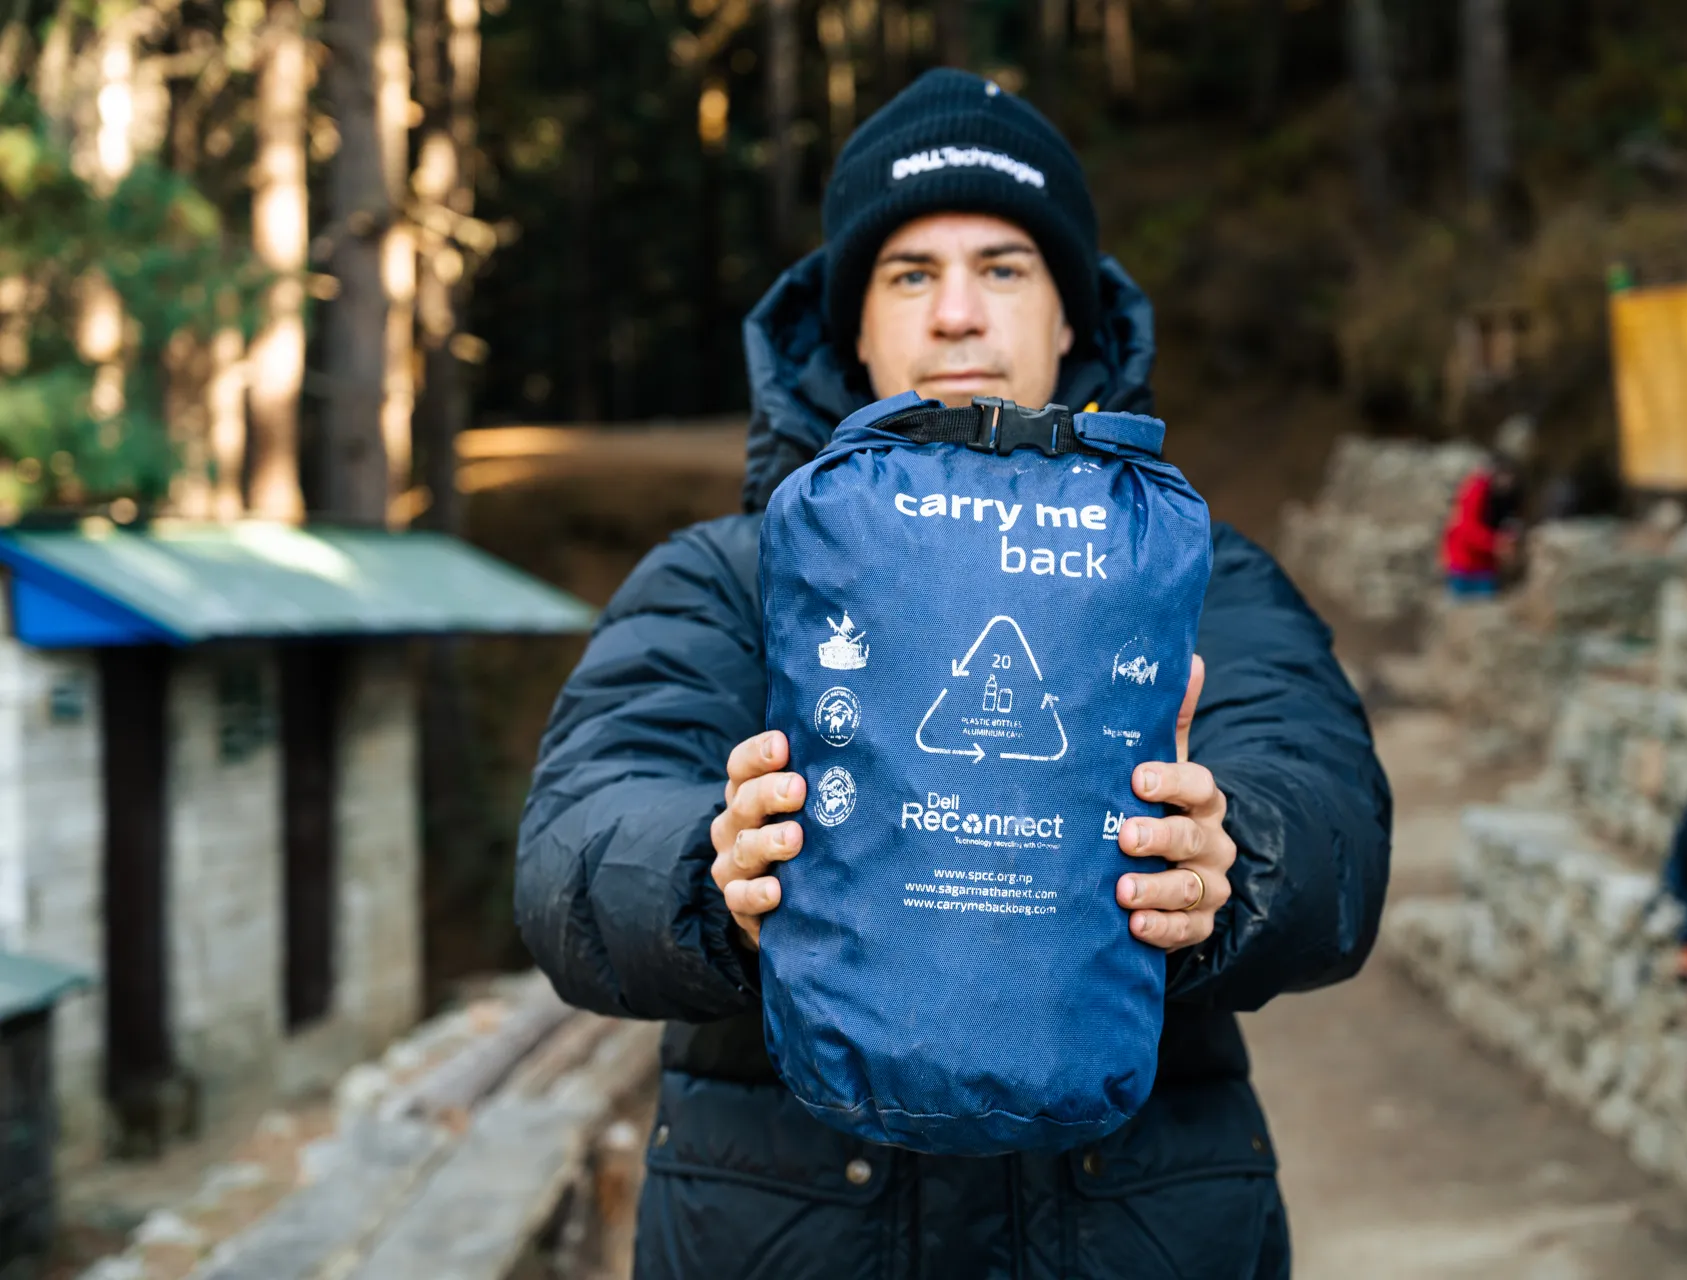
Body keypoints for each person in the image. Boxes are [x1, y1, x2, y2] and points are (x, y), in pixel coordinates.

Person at [516, 68, 1391, 1278]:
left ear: (1072, 316)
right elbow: (572, 837)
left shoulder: (1195, 572)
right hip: (784, 1226)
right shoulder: (728, 576)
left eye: (1006, 267)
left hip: (1138, 1221)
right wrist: (705, 865)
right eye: (910, 274)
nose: (958, 314)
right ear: (854, 325)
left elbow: (1334, 816)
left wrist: (1237, 858)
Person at [1440, 452, 1524, 598]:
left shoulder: (1500, 494)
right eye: (1507, 476)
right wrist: (1497, 544)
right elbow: (1467, 529)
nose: (1509, 482)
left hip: (1485, 565)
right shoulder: (1477, 490)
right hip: (1466, 565)